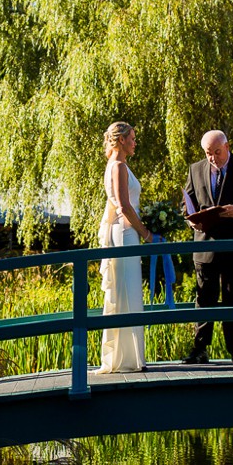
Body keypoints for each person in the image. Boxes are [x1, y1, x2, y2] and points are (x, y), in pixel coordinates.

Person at [183, 130, 233, 364]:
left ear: (227, 146)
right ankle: (200, 349)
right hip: (205, 242)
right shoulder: (195, 169)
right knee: (204, 298)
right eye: (208, 153)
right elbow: (186, 202)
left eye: (217, 152)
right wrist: (190, 218)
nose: (213, 158)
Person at [97, 120, 150, 373]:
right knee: (126, 292)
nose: (135, 142)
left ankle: (131, 356)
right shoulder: (117, 166)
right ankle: (125, 359)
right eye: (132, 138)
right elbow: (124, 206)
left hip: (127, 231)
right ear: (121, 140)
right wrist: (146, 233)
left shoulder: (120, 165)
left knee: (130, 292)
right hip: (125, 233)